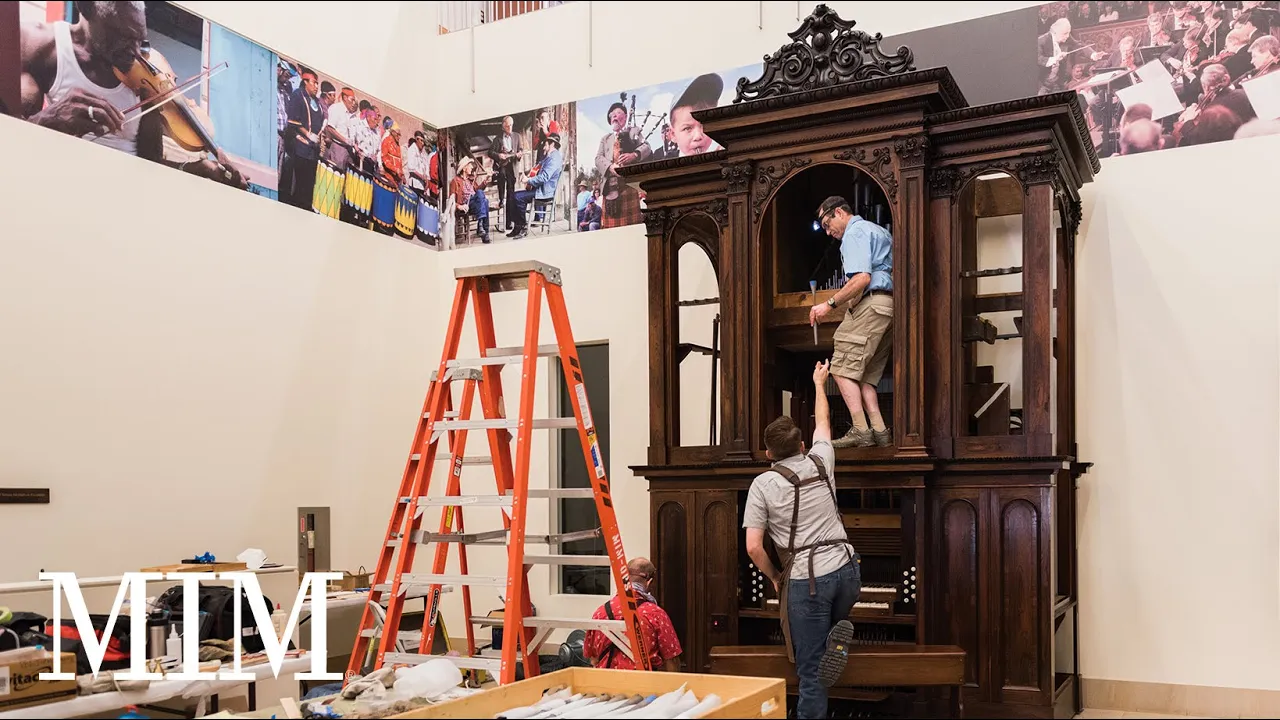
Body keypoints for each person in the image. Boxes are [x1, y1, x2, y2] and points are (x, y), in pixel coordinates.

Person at [18, 0, 245, 188]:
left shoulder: (144, 78)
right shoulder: (38, 45)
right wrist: (47, 122)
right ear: (85, 8)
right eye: (120, 35)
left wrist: (199, 169)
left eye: (140, 39)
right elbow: (12, 146)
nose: (135, 51)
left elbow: (148, 164)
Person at [744, 360, 859, 720]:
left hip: (808, 582)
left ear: (768, 454)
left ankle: (823, 649)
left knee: (810, 675)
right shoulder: (822, 460)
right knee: (823, 638)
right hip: (848, 571)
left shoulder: (763, 483)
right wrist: (819, 384)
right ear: (803, 444)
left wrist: (776, 577)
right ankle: (830, 643)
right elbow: (823, 422)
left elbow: (753, 547)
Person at [808, 196, 895, 449]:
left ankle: (860, 430)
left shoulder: (855, 233)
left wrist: (829, 304)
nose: (827, 232)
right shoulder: (877, 230)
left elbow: (862, 278)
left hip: (872, 304)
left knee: (840, 368)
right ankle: (880, 432)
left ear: (839, 212)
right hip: (888, 307)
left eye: (827, 224)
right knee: (865, 378)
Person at [582, 557, 682, 672]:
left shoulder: (600, 612)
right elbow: (672, 659)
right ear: (649, 582)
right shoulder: (655, 614)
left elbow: (593, 659)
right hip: (641, 685)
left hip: (606, 684)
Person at [507, 132, 562, 239]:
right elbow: (538, 168)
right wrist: (528, 174)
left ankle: (523, 227)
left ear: (552, 144)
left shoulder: (554, 158)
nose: (544, 147)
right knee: (513, 196)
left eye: (545, 144)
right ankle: (518, 226)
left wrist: (528, 179)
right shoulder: (549, 157)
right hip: (540, 189)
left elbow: (545, 177)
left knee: (518, 197)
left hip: (544, 192)